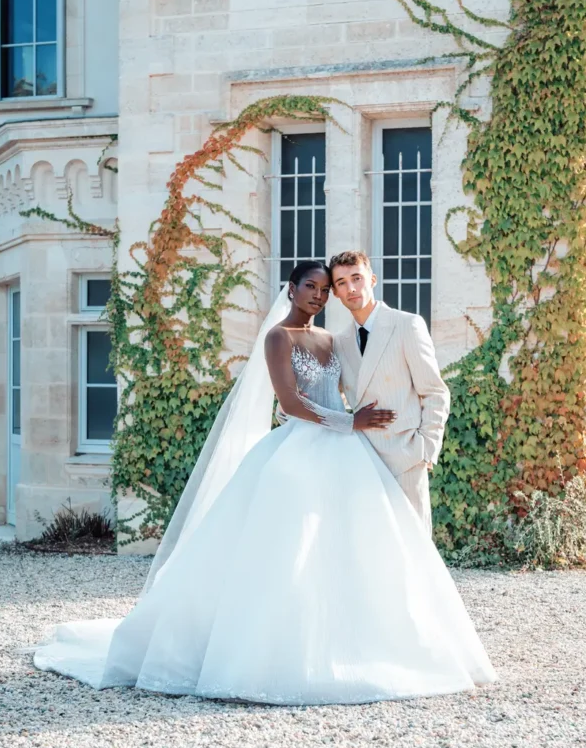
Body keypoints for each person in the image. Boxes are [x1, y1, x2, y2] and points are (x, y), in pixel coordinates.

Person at [33, 261, 496, 705]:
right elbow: (290, 405)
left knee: (353, 548)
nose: (317, 295)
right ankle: (264, 654)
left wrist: (372, 426)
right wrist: (350, 422)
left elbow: (359, 386)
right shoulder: (279, 337)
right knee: (284, 551)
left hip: (347, 453)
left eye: (324, 289)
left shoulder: (331, 340)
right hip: (302, 448)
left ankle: (360, 642)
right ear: (290, 290)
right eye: (310, 287)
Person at [330, 250, 449, 536]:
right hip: (361, 461)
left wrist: (425, 451)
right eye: (342, 283)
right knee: (371, 549)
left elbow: (434, 392)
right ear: (335, 293)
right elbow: (331, 397)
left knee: (412, 547)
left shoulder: (406, 324)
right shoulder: (339, 342)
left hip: (405, 458)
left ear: (372, 279)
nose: (352, 288)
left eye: (357, 278)